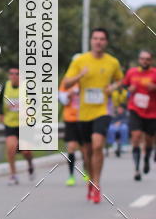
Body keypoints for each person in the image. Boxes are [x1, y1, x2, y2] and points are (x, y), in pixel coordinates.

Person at [62, 27, 123, 204]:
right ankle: (90, 180)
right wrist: (79, 76)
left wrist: (113, 87)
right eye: (95, 38)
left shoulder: (112, 62)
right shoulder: (80, 61)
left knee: (97, 145)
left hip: (103, 111)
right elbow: (66, 83)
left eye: (102, 39)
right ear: (91, 41)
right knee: (87, 152)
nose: (98, 42)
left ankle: (96, 184)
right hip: (84, 114)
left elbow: (121, 80)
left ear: (106, 42)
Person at [0, 66, 34, 185]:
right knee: (11, 148)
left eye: (16, 74)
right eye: (11, 73)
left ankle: (30, 164)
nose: (14, 76)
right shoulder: (6, 86)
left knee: (26, 152)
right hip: (10, 123)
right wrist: (1, 113)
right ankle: (13, 175)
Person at [122, 50, 156, 180]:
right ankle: (136, 169)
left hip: (152, 112)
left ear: (151, 61)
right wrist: (128, 90)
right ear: (139, 60)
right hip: (135, 109)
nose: (144, 61)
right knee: (135, 136)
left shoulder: (154, 73)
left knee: (149, 140)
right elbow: (124, 86)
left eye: (147, 59)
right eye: (142, 58)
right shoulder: (132, 72)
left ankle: (146, 159)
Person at [58, 74, 86, 186]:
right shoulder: (66, 81)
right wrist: (68, 95)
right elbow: (62, 100)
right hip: (70, 119)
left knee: (84, 148)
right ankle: (71, 175)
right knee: (71, 147)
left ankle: (86, 171)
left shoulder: (86, 80)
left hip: (84, 118)